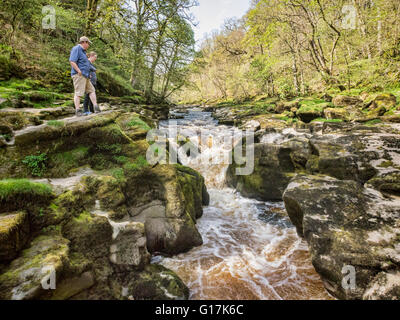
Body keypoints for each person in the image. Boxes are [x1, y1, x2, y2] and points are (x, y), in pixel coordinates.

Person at [69, 36, 101, 117]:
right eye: (88, 43)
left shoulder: (83, 52)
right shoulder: (76, 49)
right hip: (78, 75)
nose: (89, 45)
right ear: (84, 42)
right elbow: (72, 61)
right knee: (78, 93)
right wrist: (79, 71)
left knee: (92, 90)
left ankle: (96, 107)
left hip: (85, 76)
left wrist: (88, 74)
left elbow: (85, 64)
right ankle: (78, 111)